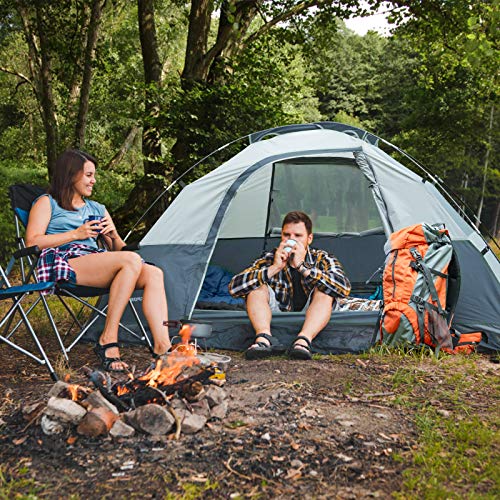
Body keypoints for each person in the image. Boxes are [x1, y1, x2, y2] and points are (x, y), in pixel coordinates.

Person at [26, 149, 171, 371]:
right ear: (71, 175)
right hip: (64, 260)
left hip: (96, 260)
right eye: (88, 175)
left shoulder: (97, 208)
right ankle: (108, 339)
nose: (93, 180)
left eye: (94, 175)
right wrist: (76, 234)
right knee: (131, 261)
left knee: (154, 273)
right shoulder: (48, 203)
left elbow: (120, 249)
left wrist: (112, 235)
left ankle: (163, 347)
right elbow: (32, 242)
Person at [228, 211, 351, 360]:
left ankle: (303, 341)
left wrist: (303, 268)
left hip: (314, 313)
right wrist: (274, 268)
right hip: (277, 313)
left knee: (325, 290)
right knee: (256, 286)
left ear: (309, 238)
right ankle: (264, 339)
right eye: (286, 235)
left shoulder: (322, 258)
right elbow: (234, 288)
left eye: (298, 236)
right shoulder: (270, 258)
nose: (291, 240)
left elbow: (344, 288)